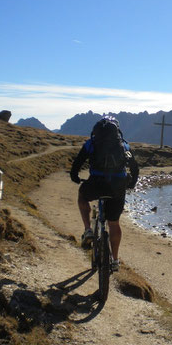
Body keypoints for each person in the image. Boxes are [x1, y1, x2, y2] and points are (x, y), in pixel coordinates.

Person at [70, 116, 139, 271]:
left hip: (96, 184)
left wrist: (75, 177)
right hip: (117, 187)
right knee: (114, 222)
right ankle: (115, 260)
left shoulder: (91, 143)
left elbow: (77, 163)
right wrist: (131, 184)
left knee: (82, 197)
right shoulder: (123, 145)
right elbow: (134, 168)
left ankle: (88, 229)